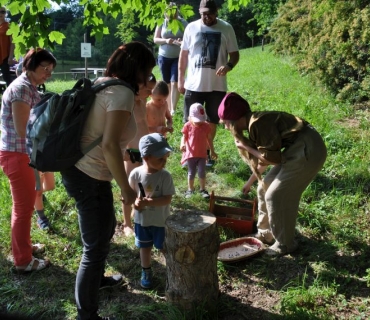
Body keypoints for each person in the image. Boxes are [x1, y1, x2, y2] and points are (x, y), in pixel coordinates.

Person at [60, 42, 156, 320]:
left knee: (104, 230)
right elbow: (109, 144)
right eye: (148, 72)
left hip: (81, 169)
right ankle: (86, 315)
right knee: (95, 247)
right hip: (88, 175)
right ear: (136, 69)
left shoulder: (104, 82)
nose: (149, 79)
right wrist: (125, 189)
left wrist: (126, 152)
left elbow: (102, 135)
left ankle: (97, 280)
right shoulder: (122, 92)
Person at [218, 92, 327, 256]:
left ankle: (285, 244)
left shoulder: (257, 124)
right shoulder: (254, 124)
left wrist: (245, 147)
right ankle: (266, 234)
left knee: (276, 195)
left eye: (226, 123)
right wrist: (250, 182)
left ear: (236, 119)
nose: (226, 127)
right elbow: (266, 158)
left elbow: (272, 159)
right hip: (297, 147)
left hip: (309, 149)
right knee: (264, 188)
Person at [0, 48, 56, 273]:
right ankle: (23, 261)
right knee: (22, 209)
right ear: (30, 65)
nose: (48, 74)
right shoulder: (22, 89)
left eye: (51, 70)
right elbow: (24, 131)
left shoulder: (28, 87)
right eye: (45, 69)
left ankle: (24, 246)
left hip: (24, 154)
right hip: (17, 154)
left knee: (26, 205)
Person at [178, 0, 239, 165]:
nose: (207, 16)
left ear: (216, 12)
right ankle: (189, 154)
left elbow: (234, 54)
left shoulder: (226, 27)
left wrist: (228, 66)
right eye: (204, 13)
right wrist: (180, 79)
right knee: (190, 120)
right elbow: (183, 56)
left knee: (212, 120)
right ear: (199, 11)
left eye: (210, 13)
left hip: (217, 86)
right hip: (193, 84)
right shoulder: (191, 28)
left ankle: (205, 153)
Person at [129, 133, 175, 289]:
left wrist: (150, 202)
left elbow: (167, 199)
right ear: (146, 157)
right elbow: (131, 198)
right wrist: (136, 204)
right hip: (142, 221)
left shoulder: (165, 176)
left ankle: (174, 270)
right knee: (145, 247)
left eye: (165, 158)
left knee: (163, 247)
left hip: (160, 221)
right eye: (160, 159)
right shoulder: (136, 174)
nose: (164, 162)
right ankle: (146, 271)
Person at [122, 74, 157, 237]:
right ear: (138, 87)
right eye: (148, 89)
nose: (150, 93)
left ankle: (138, 213)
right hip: (131, 153)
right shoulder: (126, 102)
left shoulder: (143, 102)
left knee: (144, 184)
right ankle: (126, 224)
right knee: (128, 187)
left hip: (144, 152)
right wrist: (124, 151)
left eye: (152, 90)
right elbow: (119, 129)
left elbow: (146, 125)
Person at [153, 2, 188, 116]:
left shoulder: (183, 23)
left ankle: (173, 109)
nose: (171, 14)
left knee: (175, 82)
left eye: (173, 12)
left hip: (178, 57)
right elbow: (156, 39)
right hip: (163, 56)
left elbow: (189, 39)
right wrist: (166, 41)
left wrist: (181, 41)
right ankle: (166, 107)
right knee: (166, 82)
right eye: (168, 12)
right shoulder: (162, 22)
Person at [180, 103, 217, 199]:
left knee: (201, 171)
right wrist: (182, 144)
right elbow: (184, 137)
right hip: (191, 154)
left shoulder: (206, 126)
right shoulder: (187, 126)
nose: (199, 123)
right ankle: (190, 189)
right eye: (197, 121)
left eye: (200, 120)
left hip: (202, 154)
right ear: (190, 117)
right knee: (191, 172)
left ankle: (202, 189)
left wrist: (212, 151)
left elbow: (209, 139)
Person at [0, 7, 15, 86]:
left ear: (6, 13)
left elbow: (12, 42)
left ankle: (12, 95)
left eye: (2, 12)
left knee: (6, 78)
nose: (0, 14)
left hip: (5, 56)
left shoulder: (8, 26)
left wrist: (10, 56)